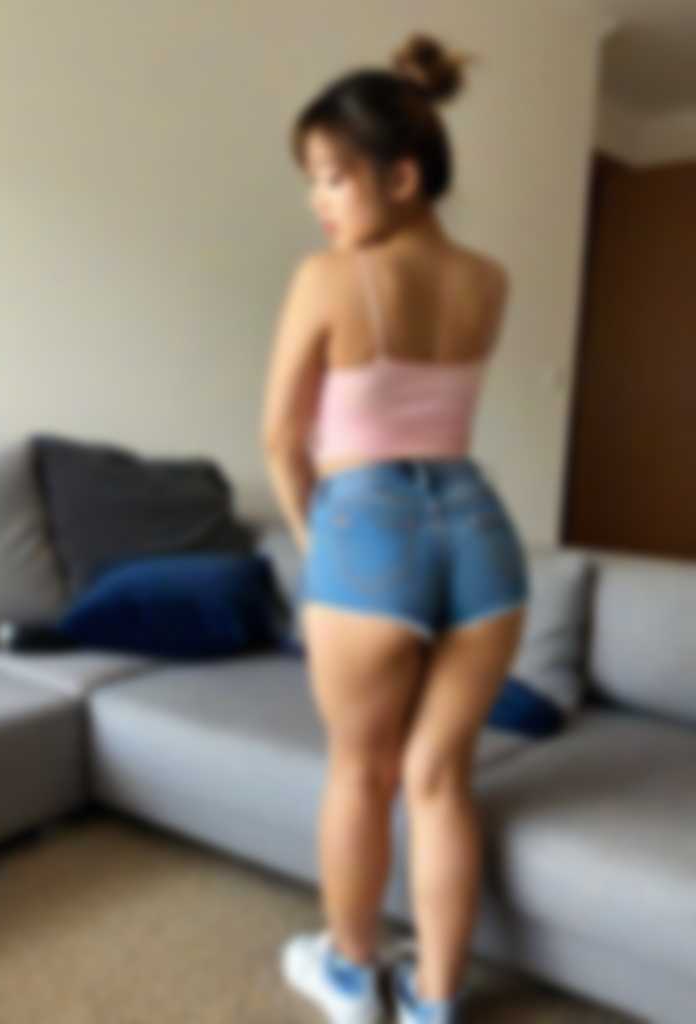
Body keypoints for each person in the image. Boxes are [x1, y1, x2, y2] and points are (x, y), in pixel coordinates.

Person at [260, 30, 530, 1024]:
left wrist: (319, 542)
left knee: (362, 771)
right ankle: (434, 1001)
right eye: (313, 182)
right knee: (440, 777)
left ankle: (349, 970)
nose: (319, 202)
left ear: (402, 177)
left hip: (369, 526)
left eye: (333, 178)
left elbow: (281, 438)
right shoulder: (489, 279)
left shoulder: (327, 278)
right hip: (482, 531)